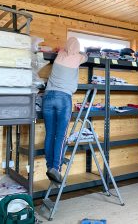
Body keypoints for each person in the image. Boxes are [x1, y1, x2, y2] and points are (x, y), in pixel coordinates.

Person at [43, 37, 87, 183]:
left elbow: (61, 48)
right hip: (63, 98)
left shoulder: (61, 54)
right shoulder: (79, 57)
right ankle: (56, 168)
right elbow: (87, 56)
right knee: (61, 136)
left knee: (50, 134)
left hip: (48, 96)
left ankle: (50, 167)